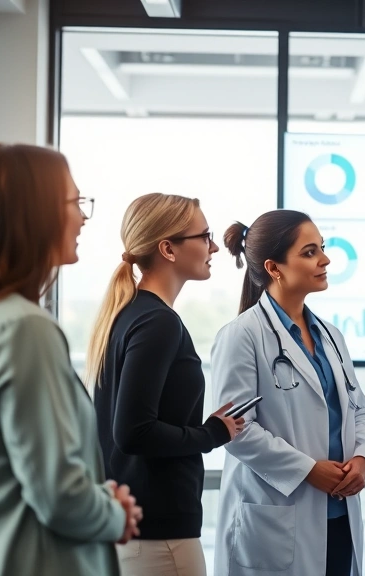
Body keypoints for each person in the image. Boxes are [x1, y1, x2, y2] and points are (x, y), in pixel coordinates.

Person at [0, 143, 142, 575]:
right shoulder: (24, 330)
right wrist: (114, 512)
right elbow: (59, 494)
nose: (84, 216)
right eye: (75, 202)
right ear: (32, 214)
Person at [211, 209, 365, 576]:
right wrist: (307, 471)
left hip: (338, 514)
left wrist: (363, 460)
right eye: (309, 252)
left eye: (322, 248)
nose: (325, 259)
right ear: (274, 268)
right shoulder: (242, 335)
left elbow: (359, 410)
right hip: (277, 518)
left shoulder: (332, 336)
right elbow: (234, 430)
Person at [88, 193, 244, 576]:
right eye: (204, 236)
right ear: (168, 249)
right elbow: (133, 432)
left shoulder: (129, 315)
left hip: (142, 534)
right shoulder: (157, 322)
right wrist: (211, 434)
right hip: (159, 540)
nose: (213, 247)